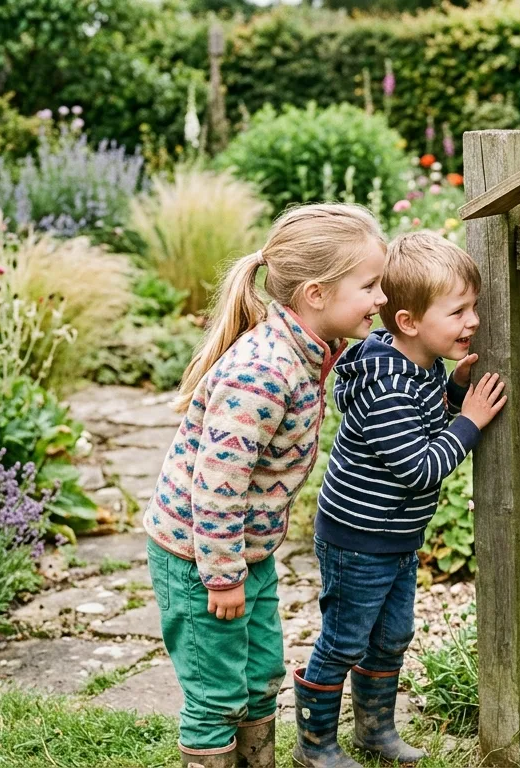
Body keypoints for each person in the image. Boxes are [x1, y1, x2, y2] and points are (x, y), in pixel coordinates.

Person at [143, 204, 387, 768]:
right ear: (316, 293)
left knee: (261, 675)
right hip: (199, 555)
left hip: (243, 551)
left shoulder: (310, 349)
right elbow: (217, 487)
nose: (380, 298)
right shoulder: (263, 373)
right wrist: (223, 576)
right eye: (370, 286)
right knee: (217, 690)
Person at [292, 231, 507, 767]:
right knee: (343, 641)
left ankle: (375, 731)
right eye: (458, 311)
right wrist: (470, 421)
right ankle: (314, 744)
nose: (473, 321)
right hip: (358, 539)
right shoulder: (386, 385)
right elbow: (418, 467)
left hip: (394, 536)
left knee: (392, 636)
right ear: (409, 323)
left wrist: (453, 391)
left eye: (472, 307)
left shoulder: (419, 365)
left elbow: (424, 422)